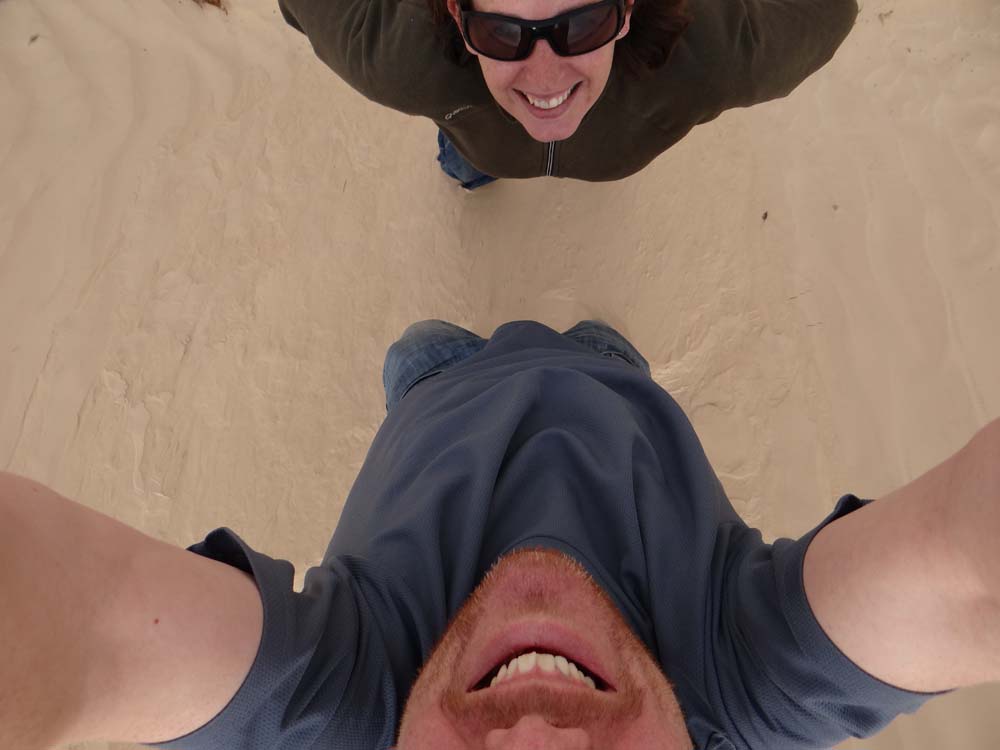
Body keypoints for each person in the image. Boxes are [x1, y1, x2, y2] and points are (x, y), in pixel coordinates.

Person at [5, 319, 999, 750]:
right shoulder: (746, 689)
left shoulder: (347, 713)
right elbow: (967, 571)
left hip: (434, 380)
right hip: (614, 373)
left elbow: (80, 623)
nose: (530, 732)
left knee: (419, 344)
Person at [275, 0, 858, 187]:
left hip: (613, 153)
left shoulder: (713, 55)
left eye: (584, 24)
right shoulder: (400, 60)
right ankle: (470, 167)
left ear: (628, 10)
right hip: (486, 141)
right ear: (456, 17)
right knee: (471, 158)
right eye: (501, 32)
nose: (545, 78)